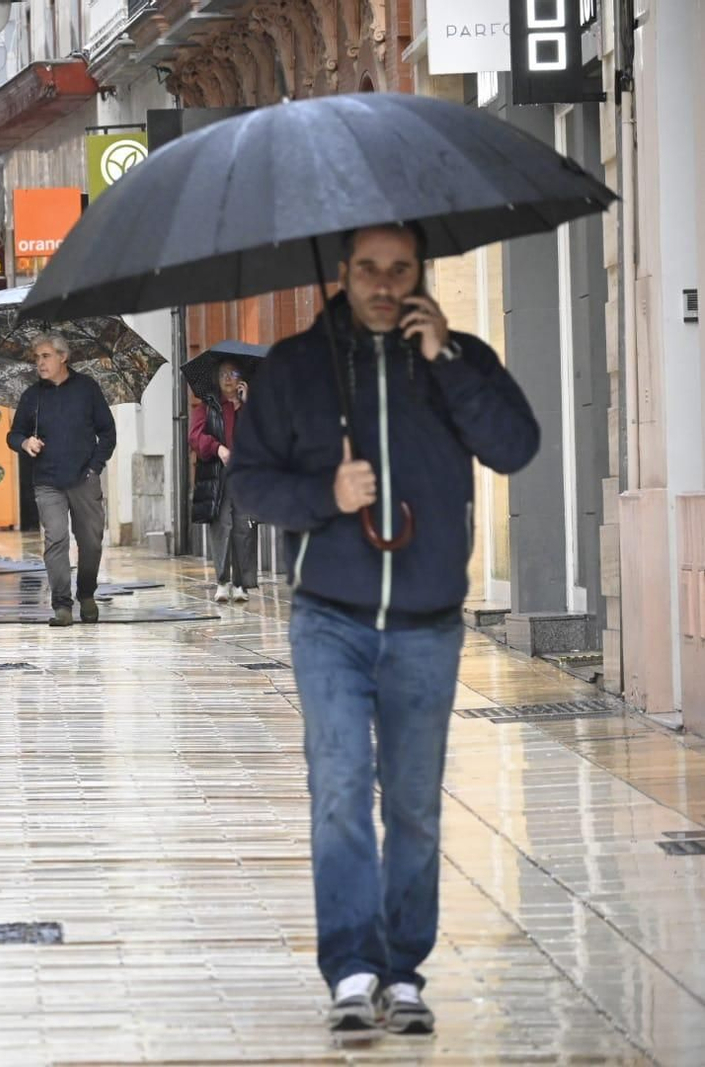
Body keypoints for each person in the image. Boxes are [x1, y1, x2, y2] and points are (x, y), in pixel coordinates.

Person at [229, 224, 538, 1037]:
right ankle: (353, 967)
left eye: (400, 269)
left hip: (427, 622)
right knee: (337, 789)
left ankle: (403, 970)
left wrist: (449, 362)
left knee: (413, 804)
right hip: (329, 614)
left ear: (420, 273)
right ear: (342, 272)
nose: (384, 283)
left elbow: (516, 445)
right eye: (369, 268)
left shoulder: (455, 358)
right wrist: (324, 495)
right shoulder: (295, 368)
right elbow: (250, 483)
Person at [7, 335, 117, 627]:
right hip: (47, 481)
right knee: (55, 539)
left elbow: (108, 432)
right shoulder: (32, 396)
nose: (39, 363)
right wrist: (25, 443)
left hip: (84, 478)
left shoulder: (87, 389)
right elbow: (13, 434)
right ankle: (62, 605)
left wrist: (95, 467)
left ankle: (87, 594)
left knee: (91, 542)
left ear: (62, 357)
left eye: (45, 356)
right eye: (37, 357)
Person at [188, 357, 257, 603]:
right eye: (223, 374)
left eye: (234, 373)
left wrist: (247, 404)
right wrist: (217, 448)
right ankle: (223, 581)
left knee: (243, 527)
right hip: (217, 477)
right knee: (222, 526)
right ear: (216, 380)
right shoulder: (206, 408)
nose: (228, 378)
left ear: (241, 379)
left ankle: (241, 583)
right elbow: (195, 437)